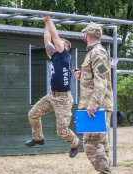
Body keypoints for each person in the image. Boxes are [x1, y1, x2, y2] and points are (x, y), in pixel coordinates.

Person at [24, 16, 82, 158]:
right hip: (52, 96)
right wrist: (45, 24)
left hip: (63, 99)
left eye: (62, 43)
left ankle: (75, 142)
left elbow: (55, 36)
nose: (58, 43)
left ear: (65, 47)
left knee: (61, 131)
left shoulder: (65, 55)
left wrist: (50, 21)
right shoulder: (55, 56)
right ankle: (38, 138)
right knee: (32, 114)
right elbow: (47, 40)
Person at [74, 22, 115, 174]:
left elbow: (102, 81)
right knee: (100, 144)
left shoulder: (97, 52)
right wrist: (81, 76)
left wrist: (93, 104)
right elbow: (96, 78)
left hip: (95, 107)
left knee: (92, 144)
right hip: (95, 105)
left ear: (86, 35)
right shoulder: (95, 52)